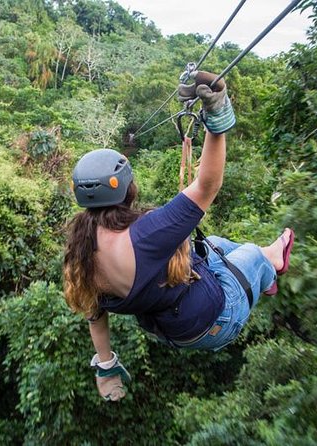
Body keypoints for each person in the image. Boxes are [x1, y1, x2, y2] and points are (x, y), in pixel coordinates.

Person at [63, 71, 295, 402]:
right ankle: (267, 264)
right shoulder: (148, 234)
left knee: (212, 244)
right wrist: (216, 115)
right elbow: (207, 184)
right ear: (130, 189)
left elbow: (94, 314)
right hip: (219, 318)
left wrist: (107, 367)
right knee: (255, 256)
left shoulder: (80, 251)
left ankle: (261, 269)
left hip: (174, 329)